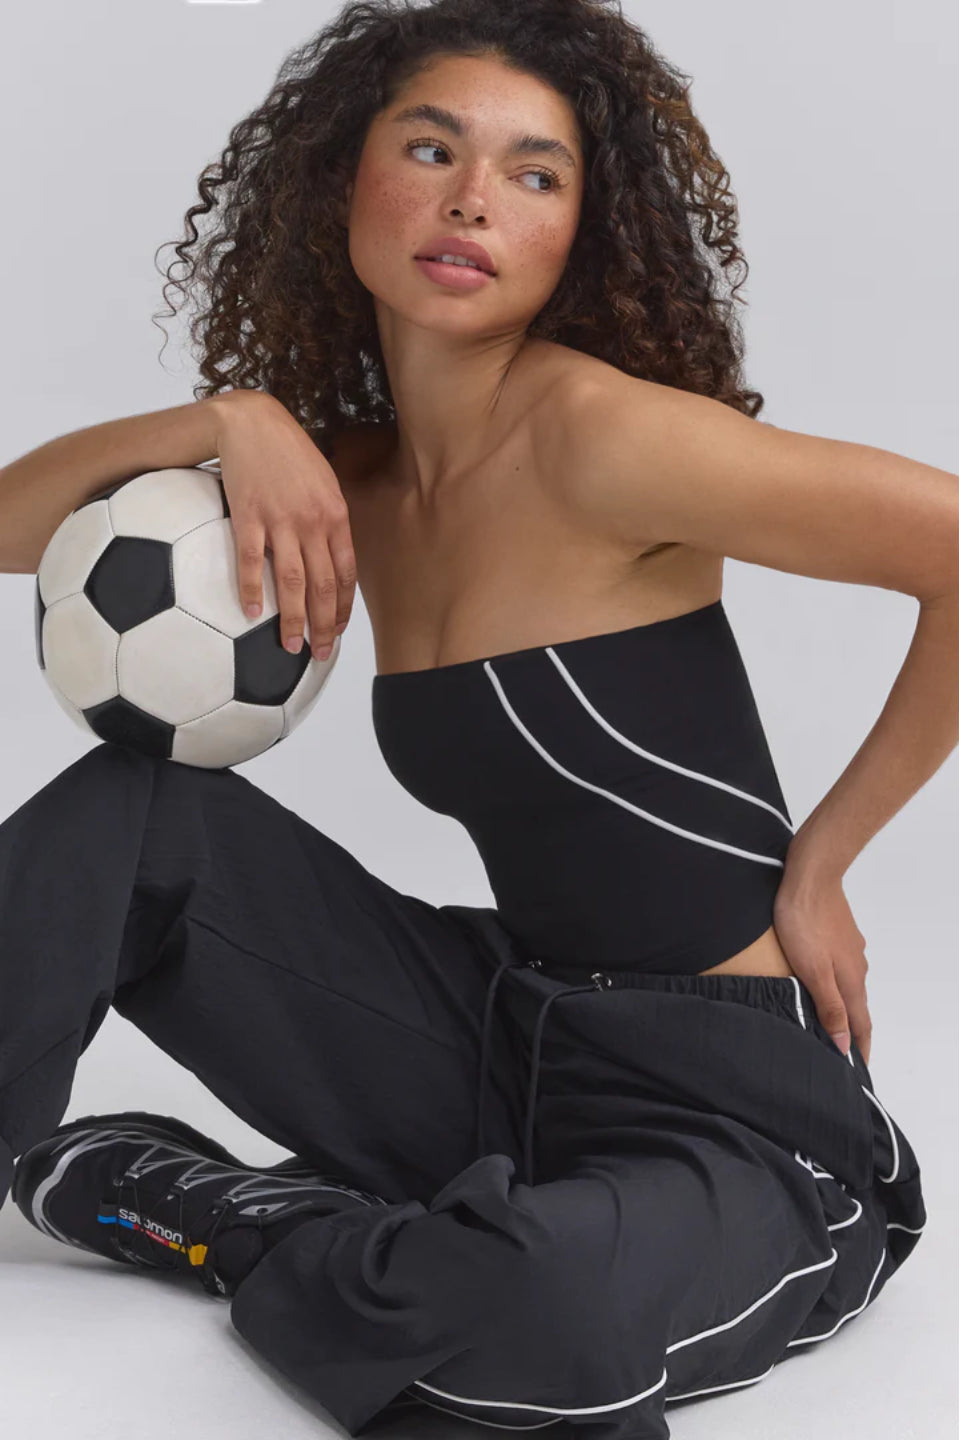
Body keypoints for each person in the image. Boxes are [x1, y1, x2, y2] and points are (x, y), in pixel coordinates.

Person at [0, 2, 954, 1436]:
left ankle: (235, 1219)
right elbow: (12, 526)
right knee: (133, 811)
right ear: (344, 181)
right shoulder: (355, 489)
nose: (470, 202)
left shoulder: (603, 436)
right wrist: (223, 422)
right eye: (431, 147)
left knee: (537, 1317)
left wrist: (821, 863)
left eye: (535, 173)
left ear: (584, 228)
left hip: (735, 1111)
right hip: (501, 1037)